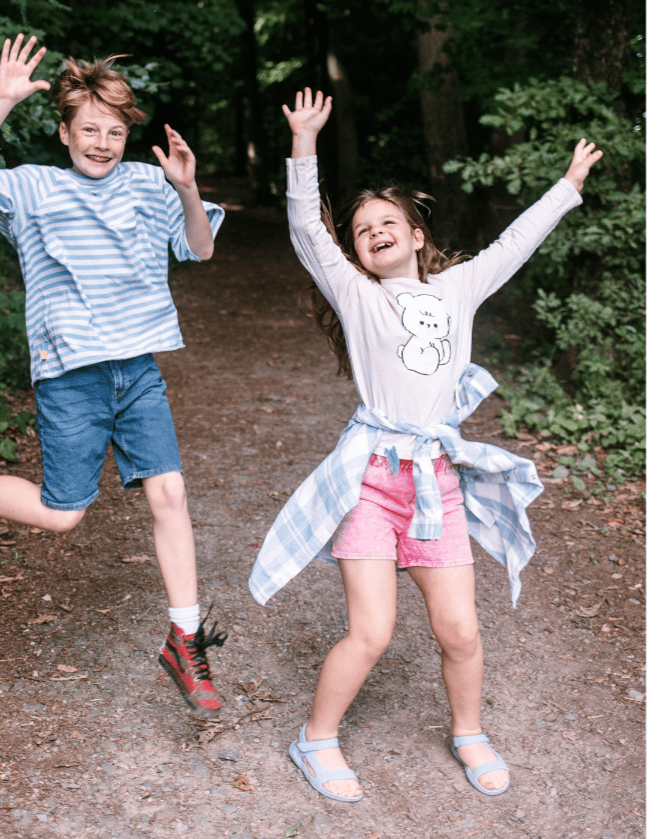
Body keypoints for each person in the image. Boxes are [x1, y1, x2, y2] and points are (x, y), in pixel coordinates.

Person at [250, 88, 602, 800]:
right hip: (372, 480)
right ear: (354, 251)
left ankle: (469, 731)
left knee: (461, 630)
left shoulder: (458, 289)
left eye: (389, 222)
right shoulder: (357, 295)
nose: (375, 231)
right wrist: (304, 145)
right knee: (372, 632)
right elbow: (304, 230)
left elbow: (513, 245)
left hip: (435, 482)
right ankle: (315, 739)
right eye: (362, 229)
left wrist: (566, 188)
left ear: (416, 236)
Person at [0, 34, 227, 717]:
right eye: (90, 130)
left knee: (170, 494)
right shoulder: (35, 188)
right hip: (70, 373)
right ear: (65, 133)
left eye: (114, 131)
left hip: (135, 370)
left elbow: (200, 247)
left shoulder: (146, 183)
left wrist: (188, 189)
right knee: (63, 513)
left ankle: (185, 641)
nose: (103, 142)